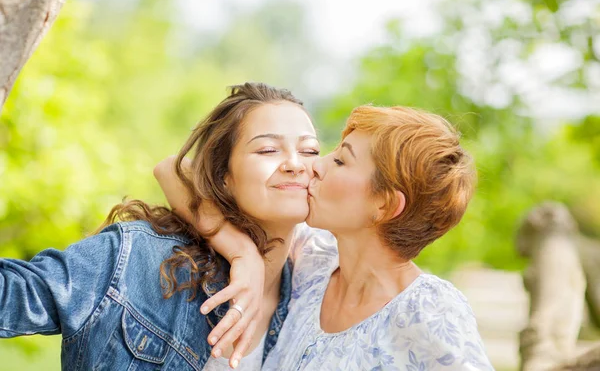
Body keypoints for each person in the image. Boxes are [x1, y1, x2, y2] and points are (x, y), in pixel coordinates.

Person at [0, 82, 320, 370]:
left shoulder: (318, 279)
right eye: (267, 149)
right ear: (223, 177)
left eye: (310, 151)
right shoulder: (138, 259)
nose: (295, 164)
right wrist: (241, 250)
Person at [157, 105, 495, 370]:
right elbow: (172, 168)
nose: (316, 165)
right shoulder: (315, 262)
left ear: (385, 204)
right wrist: (242, 252)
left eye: (341, 160)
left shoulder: (429, 310)